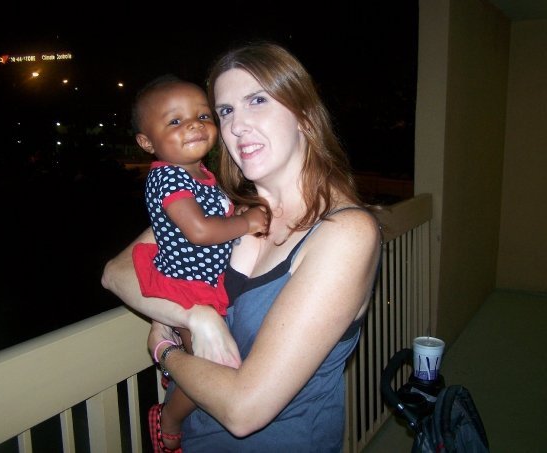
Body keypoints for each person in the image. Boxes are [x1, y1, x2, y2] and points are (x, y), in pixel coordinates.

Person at [102, 41, 382, 452]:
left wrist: (165, 351)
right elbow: (117, 272)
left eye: (257, 100)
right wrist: (197, 316)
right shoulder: (228, 210)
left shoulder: (345, 233)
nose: (236, 126)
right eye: (226, 111)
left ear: (303, 114)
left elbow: (244, 410)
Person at [130, 74, 270, 452]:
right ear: (147, 142)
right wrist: (248, 222)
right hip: (187, 286)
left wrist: (236, 213)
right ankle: (168, 419)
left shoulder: (204, 175)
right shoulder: (168, 177)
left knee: (205, 361)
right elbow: (200, 231)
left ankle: (178, 375)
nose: (193, 125)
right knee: (211, 370)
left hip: (205, 284)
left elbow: (216, 216)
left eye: (203, 116)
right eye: (175, 121)